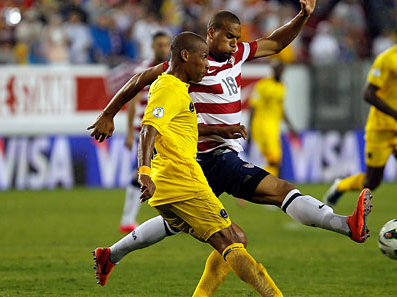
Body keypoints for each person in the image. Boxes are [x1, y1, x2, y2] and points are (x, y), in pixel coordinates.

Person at [89, 1, 373, 287]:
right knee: (280, 193)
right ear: (211, 33)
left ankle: (110, 255)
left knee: (174, 224)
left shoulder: (236, 55)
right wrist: (108, 113)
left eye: (238, 38)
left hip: (208, 162)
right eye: (229, 37)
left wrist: (303, 16)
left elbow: (274, 43)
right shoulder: (192, 65)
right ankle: (346, 225)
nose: (236, 43)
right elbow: (140, 79)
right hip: (213, 157)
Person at [94, 32, 283, 296]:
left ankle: (112, 254)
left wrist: (222, 129)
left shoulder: (176, 88)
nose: (207, 65)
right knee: (233, 243)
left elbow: (183, 130)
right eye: (204, 57)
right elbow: (149, 129)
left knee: (234, 239)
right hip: (183, 181)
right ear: (185, 55)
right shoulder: (170, 89)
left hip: (169, 187)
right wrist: (144, 172)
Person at [323, 17, 397, 223]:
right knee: (372, 182)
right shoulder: (387, 58)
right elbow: (368, 93)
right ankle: (341, 186)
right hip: (381, 128)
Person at [119, 31, 171, 233]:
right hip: (146, 131)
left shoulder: (170, 70)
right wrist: (130, 133)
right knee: (143, 173)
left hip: (164, 132)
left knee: (149, 173)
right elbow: (132, 102)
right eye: (160, 45)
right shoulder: (144, 70)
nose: (163, 48)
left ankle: (129, 219)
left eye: (166, 44)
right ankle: (128, 219)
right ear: (152, 47)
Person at [248, 59, 296, 177]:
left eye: (282, 68)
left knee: (274, 160)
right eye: (278, 68)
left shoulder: (282, 87)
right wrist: (249, 130)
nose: (280, 70)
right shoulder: (263, 85)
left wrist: (291, 127)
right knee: (273, 159)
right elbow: (253, 107)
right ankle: (259, 184)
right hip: (262, 127)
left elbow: (280, 109)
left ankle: (262, 184)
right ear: (274, 70)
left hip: (274, 127)